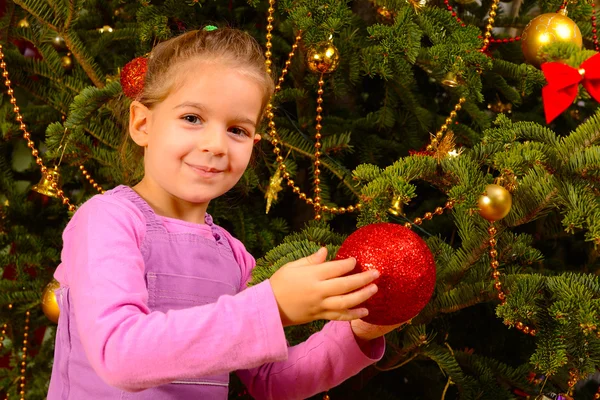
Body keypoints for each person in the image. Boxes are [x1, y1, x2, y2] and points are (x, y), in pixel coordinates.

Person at [47, 27, 399, 400]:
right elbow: (118, 354)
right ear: (143, 123)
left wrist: (357, 333)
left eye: (236, 129)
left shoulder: (232, 256)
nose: (215, 145)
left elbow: (273, 381)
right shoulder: (107, 221)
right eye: (192, 118)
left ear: (253, 143)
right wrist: (273, 307)